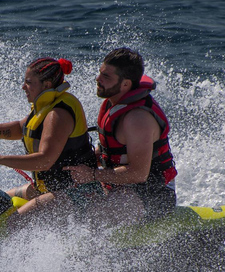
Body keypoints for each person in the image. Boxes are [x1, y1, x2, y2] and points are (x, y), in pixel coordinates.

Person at [0, 57, 97, 216]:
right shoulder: (45, 106)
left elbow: (44, 161)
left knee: (13, 224)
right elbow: (20, 128)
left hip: (77, 192)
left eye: (29, 82)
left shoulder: (58, 113)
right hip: (49, 188)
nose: (23, 87)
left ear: (47, 85)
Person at [65, 47, 177, 225]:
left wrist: (93, 175)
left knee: (87, 219)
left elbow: (139, 173)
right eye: (100, 73)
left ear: (125, 84)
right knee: (63, 203)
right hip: (120, 187)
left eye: (106, 77)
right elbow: (110, 149)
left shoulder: (137, 119)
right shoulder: (115, 104)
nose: (98, 79)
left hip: (153, 195)